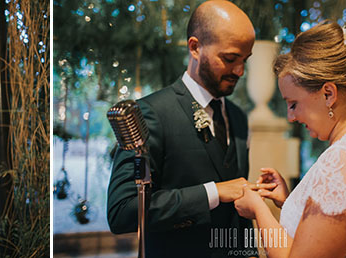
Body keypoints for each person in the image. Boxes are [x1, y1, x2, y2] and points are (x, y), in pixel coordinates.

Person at [232, 22, 346, 258]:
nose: (291, 117)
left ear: (328, 94)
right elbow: (337, 238)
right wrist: (291, 203)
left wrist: (257, 208)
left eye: (293, 104)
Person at [105, 1, 257, 257]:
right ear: (195, 47)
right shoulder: (151, 113)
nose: (239, 71)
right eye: (230, 59)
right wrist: (212, 192)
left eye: (245, 60)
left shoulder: (239, 118)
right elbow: (122, 211)